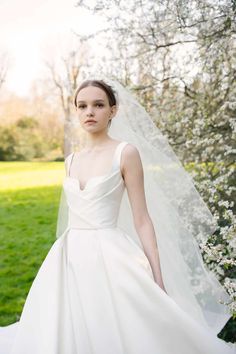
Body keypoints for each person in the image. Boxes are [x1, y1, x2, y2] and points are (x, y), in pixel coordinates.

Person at [0, 79, 235, 354]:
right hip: (68, 257)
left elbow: (142, 219)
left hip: (112, 256)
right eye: (82, 106)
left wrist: (158, 278)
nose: (90, 112)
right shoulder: (71, 160)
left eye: (98, 105)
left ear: (113, 110)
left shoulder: (126, 153)